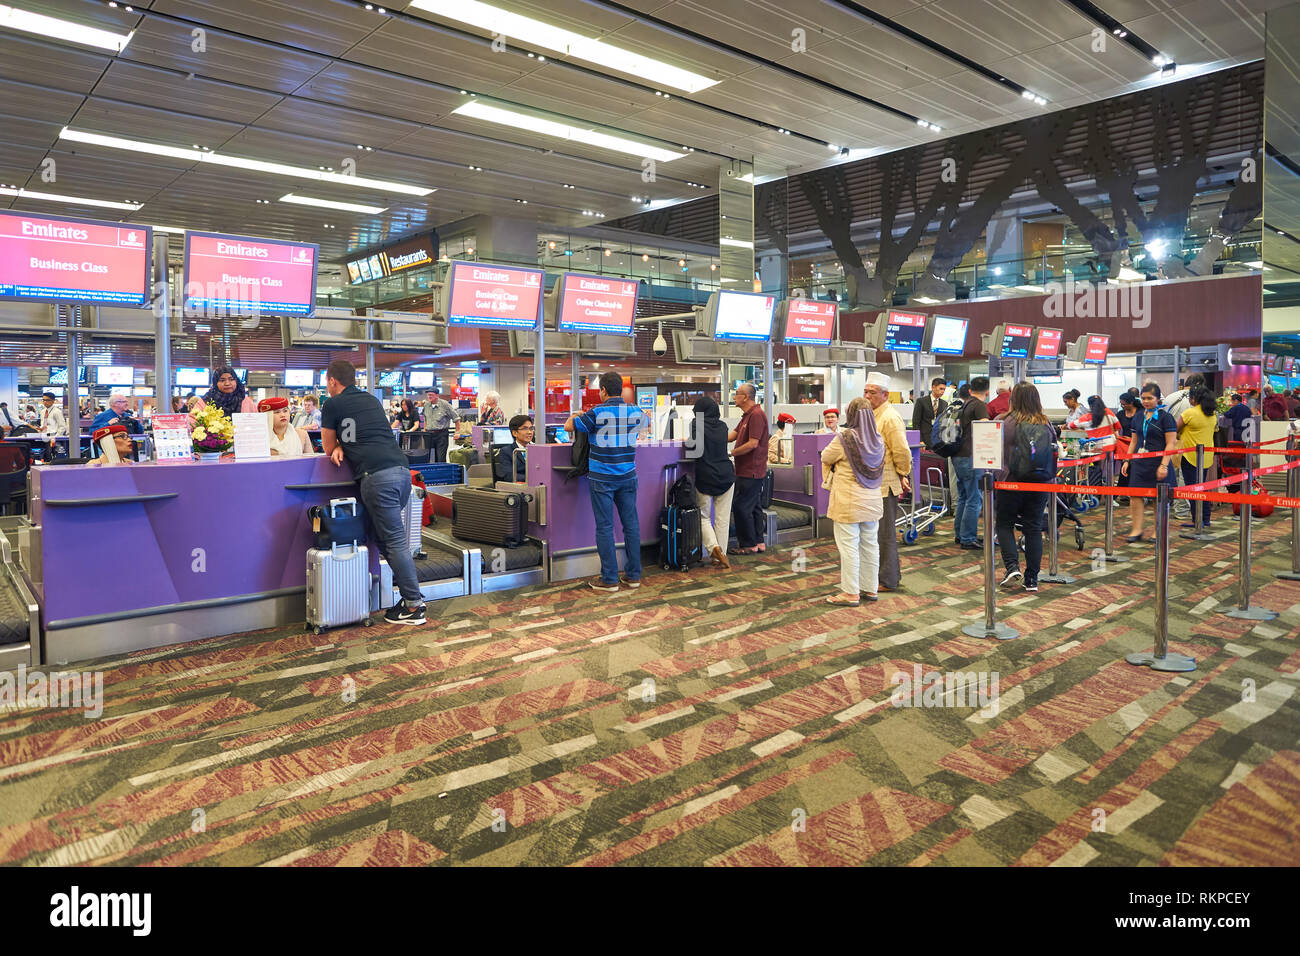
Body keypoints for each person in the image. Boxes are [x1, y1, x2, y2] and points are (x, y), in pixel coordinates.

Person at [320, 359, 426, 626]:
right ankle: (408, 600)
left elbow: (326, 446)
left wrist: (337, 447)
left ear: (333, 381)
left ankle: (414, 605)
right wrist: (345, 445)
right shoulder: (371, 400)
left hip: (377, 478)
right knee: (383, 537)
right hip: (402, 473)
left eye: (327, 382)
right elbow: (363, 435)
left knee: (394, 540)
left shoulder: (332, 403)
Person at [564, 371, 643, 592]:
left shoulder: (596, 412)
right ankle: (633, 575)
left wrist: (575, 414)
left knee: (605, 527)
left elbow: (569, 427)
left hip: (602, 478)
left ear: (604, 391)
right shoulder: (635, 410)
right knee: (631, 525)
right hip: (628, 475)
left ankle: (609, 579)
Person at [993, 383, 1056, 592]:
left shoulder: (1004, 422)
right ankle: (1032, 579)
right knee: (1033, 528)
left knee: (1004, 524)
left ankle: (1012, 567)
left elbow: (992, 454)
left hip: (1009, 482)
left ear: (1014, 399)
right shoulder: (1045, 423)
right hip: (1039, 483)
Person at [822, 397, 884, 605]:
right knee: (870, 545)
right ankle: (870, 588)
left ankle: (850, 592)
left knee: (849, 546)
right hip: (873, 500)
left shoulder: (845, 437)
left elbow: (826, 457)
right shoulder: (878, 439)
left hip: (849, 501)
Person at [863, 371, 912, 589]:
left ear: (885, 394)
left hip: (886, 484)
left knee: (885, 534)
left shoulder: (890, 417)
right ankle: (879, 575)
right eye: (865, 391)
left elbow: (901, 451)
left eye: (872, 392)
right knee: (874, 534)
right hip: (873, 485)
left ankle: (888, 579)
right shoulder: (871, 414)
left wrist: (903, 473)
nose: (867, 396)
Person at [1119, 383, 1177, 542]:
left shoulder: (1166, 417)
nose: (1146, 401)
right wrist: (1127, 460)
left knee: (1158, 498)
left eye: (1150, 398)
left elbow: (1171, 443)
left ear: (1157, 399)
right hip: (1139, 463)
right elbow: (1134, 441)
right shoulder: (1138, 416)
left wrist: (1164, 465)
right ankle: (1136, 529)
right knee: (1135, 496)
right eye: (1143, 398)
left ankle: (1158, 531)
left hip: (1159, 463)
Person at [690, 395, 735, 569]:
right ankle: (720, 555)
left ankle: (714, 548)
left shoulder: (696, 424)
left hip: (706, 475)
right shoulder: (723, 426)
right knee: (722, 519)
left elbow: (694, 448)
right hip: (726, 475)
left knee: (703, 517)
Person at [727, 383, 769, 555]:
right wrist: (711, 437)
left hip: (752, 470)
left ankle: (747, 545)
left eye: (736, 394)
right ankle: (758, 542)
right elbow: (732, 436)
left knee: (741, 507)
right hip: (746, 469)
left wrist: (731, 453)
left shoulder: (757, 415)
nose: (734, 397)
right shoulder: (747, 416)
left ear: (745, 397)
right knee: (754, 507)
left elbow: (753, 444)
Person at [953, 375, 991, 550]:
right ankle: (968, 538)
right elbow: (985, 430)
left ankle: (960, 535)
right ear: (988, 391)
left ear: (970, 390)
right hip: (971, 456)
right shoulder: (979, 406)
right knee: (975, 498)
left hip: (958, 455)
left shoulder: (966, 403)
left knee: (964, 496)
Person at [1176, 384, 1217, 530]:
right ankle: (1204, 518)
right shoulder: (1212, 414)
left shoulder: (1189, 413)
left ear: (1193, 398)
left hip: (1190, 456)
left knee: (1193, 489)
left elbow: (1174, 429)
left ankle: (1198, 519)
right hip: (1206, 457)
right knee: (1201, 487)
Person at [911, 377, 948, 450]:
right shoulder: (921, 401)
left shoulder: (944, 404)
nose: (943, 391)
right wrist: (919, 440)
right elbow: (916, 422)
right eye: (941, 389)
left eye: (944, 389)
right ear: (933, 387)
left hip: (938, 442)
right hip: (924, 440)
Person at [493, 414, 532, 483]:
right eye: (525, 429)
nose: (529, 432)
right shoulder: (506, 452)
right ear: (514, 433)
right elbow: (509, 476)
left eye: (531, 428)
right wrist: (534, 478)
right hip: (520, 488)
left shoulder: (537, 449)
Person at [421, 389, 456, 463]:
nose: (429, 396)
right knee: (430, 458)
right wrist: (424, 429)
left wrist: (458, 432)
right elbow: (425, 418)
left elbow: (456, 418)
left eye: (431, 395)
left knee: (440, 458)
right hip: (429, 435)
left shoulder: (445, 405)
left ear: (437, 395)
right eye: (428, 395)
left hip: (441, 435)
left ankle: (442, 473)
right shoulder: (426, 405)